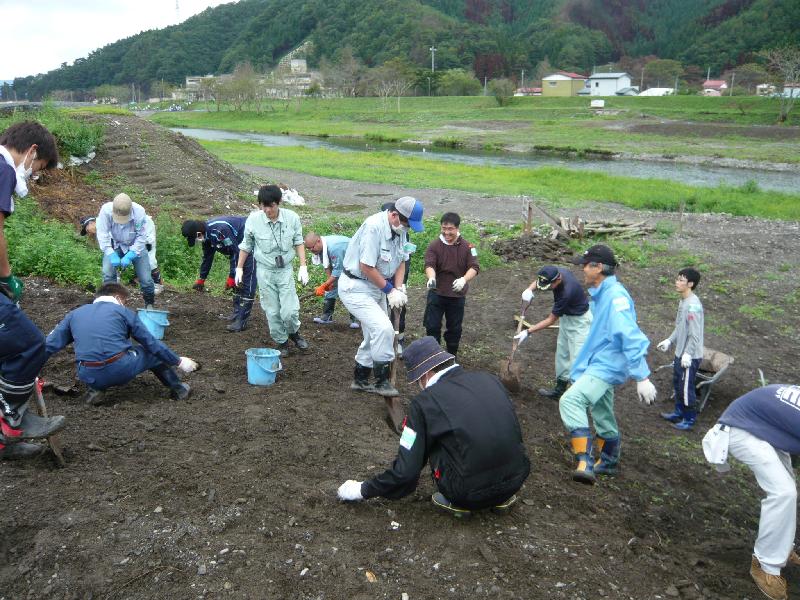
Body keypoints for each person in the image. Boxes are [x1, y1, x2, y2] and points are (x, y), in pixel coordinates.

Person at [336, 336, 530, 517]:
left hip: (467, 493)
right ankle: (501, 496)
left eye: (418, 380)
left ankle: (459, 502)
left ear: (426, 374)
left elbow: (406, 473)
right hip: (516, 478)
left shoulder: (425, 403)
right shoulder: (490, 380)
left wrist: (362, 490)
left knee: (432, 439)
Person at [558, 244, 657, 484]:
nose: (582, 269)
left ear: (598, 267)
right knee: (601, 408)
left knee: (570, 400)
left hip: (607, 364)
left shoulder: (615, 297)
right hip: (599, 362)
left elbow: (628, 334)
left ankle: (585, 461)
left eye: (586, 265)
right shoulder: (602, 294)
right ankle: (610, 460)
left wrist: (642, 377)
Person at [0, 121, 66, 459]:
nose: (32, 174)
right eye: (37, 168)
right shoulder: (3, 169)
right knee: (30, 346)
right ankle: (9, 419)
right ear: (32, 152)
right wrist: (5, 277)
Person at [704, 384, 800, 600]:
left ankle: (782, 548)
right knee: (783, 493)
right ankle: (765, 566)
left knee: (788, 491)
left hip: (766, 428)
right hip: (742, 427)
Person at [45, 283, 198, 405]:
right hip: (118, 369)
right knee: (151, 353)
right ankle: (179, 390)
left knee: (93, 350)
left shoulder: (75, 314)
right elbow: (151, 343)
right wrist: (178, 361)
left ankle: (95, 391)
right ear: (118, 298)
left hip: (87, 373)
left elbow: (49, 345)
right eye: (125, 301)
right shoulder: (122, 312)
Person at [339, 196, 424, 396]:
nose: (407, 229)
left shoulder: (400, 230)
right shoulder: (373, 228)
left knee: (374, 334)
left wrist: (399, 287)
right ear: (394, 215)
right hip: (356, 286)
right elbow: (366, 266)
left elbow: (402, 260)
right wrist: (390, 291)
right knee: (384, 329)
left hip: (377, 286)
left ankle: (360, 379)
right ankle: (382, 381)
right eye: (406, 224)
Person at [237, 184, 309, 357]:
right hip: (265, 271)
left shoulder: (292, 218)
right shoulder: (254, 220)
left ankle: (294, 333)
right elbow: (246, 245)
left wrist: (303, 266)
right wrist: (239, 268)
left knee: (289, 311)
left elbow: (298, 241)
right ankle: (282, 341)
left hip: (284, 270)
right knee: (272, 310)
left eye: (271, 205)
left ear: (279, 203)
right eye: (263, 206)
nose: (267, 210)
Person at [515, 265, 592, 400]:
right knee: (562, 354)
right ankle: (559, 390)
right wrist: (529, 289)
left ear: (557, 280)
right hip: (566, 318)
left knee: (577, 360)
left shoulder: (566, 293)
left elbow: (551, 320)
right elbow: (539, 281)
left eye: (550, 286)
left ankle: (579, 398)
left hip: (580, 322)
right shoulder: (555, 272)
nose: (549, 288)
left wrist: (528, 331)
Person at [182, 215, 255, 332]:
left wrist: (232, 276)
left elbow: (236, 253)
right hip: (237, 250)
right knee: (236, 279)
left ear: (198, 233)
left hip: (250, 243)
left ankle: (242, 321)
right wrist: (202, 279)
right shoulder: (207, 237)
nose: (196, 242)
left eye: (194, 238)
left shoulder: (220, 230)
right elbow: (207, 258)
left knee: (246, 279)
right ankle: (237, 313)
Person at [422, 212, 479, 357]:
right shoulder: (434, 245)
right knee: (432, 325)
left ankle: (452, 355)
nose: (447, 232)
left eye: (450, 229)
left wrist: (463, 280)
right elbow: (429, 264)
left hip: (456, 294)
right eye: (444, 228)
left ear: (457, 228)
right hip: (437, 292)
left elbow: (474, 267)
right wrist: (431, 278)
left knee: (454, 328)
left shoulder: (468, 246)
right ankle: (433, 355)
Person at [657, 267, 704, 431]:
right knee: (677, 383)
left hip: (689, 356)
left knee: (686, 387)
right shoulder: (683, 301)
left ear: (690, 284)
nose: (677, 283)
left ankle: (689, 419)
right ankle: (678, 412)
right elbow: (680, 326)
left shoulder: (693, 306)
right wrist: (670, 340)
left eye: (681, 280)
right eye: (677, 279)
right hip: (680, 353)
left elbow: (695, 334)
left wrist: (688, 354)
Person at [96, 193, 156, 309]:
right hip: (115, 244)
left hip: (136, 245)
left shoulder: (139, 212)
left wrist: (131, 254)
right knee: (108, 272)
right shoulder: (106, 211)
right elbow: (102, 234)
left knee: (146, 279)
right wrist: (110, 253)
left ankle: (149, 305)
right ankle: (110, 305)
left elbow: (142, 236)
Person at [81, 214, 163, 294]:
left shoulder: (103, 222)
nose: (89, 233)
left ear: (91, 223)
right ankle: (119, 286)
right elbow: (112, 247)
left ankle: (157, 283)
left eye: (87, 230)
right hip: (129, 234)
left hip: (143, 225)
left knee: (148, 253)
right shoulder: (102, 228)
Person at [381, 201, 416, 356]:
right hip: (381, 280)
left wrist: (401, 285)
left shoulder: (403, 232)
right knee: (382, 310)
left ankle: (399, 340)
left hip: (397, 278)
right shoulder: (379, 230)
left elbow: (405, 260)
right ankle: (386, 340)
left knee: (398, 308)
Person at [303, 231, 359, 328]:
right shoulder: (320, 248)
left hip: (357, 265)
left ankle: (356, 319)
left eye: (312, 247)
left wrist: (324, 285)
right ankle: (327, 317)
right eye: (308, 248)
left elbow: (338, 271)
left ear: (318, 241)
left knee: (351, 289)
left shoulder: (335, 248)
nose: (311, 250)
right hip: (343, 264)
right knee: (331, 286)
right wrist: (329, 283)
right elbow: (327, 265)